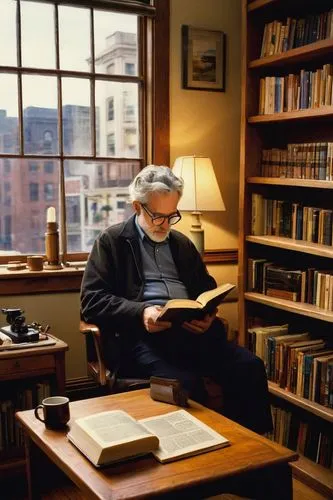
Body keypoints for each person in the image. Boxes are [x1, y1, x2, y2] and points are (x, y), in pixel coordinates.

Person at [81, 165, 273, 435]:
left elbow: (206, 288)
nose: (166, 225)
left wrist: (207, 316)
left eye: (172, 216)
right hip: (144, 339)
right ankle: (198, 463)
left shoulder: (181, 243)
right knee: (185, 384)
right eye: (158, 216)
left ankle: (254, 454)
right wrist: (141, 312)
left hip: (192, 333)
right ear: (137, 207)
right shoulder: (112, 241)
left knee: (250, 367)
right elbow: (92, 301)